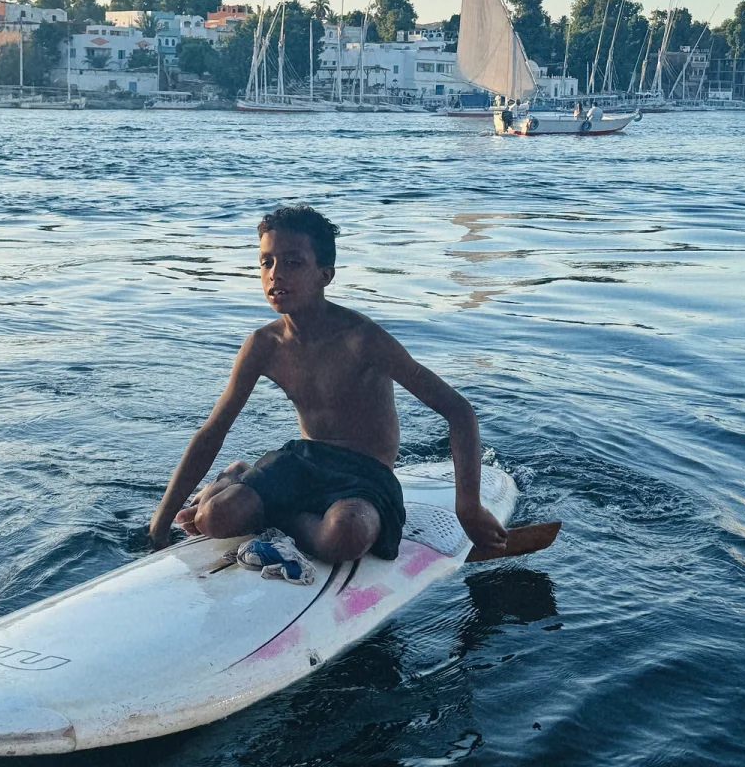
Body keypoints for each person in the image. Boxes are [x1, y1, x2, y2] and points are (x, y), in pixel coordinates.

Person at [148, 204, 507, 565]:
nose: (275, 274)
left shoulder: (361, 339)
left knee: (345, 536)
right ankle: (241, 479)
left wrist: (469, 507)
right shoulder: (264, 346)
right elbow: (213, 431)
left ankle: (272, 509)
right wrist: (159, 526)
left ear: (325, 275)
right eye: (266, 262)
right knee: (213, 518)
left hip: (365, 474)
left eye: (293, 262)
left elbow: (457, 410)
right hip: (302, 461)